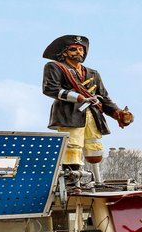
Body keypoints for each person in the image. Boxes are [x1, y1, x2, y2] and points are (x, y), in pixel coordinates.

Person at [40, 34, 132, 169]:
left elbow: (103, 97)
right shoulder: (55, 67)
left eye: (81, 49)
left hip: (93, 114)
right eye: (74, 49)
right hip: (70, 114)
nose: (79, 52)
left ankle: (96, 181)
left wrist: (118, 113)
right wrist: (77, 97)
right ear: (65, 52)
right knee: (72, 147)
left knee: (94, 150)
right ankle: (72, 182)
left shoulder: (93, 73)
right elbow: (51, 89)